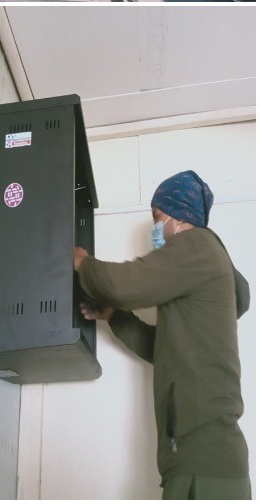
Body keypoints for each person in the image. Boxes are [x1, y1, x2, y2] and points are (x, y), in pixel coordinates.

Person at [73, 171, 251, 500]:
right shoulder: (197, 269)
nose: (156, 229)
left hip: (202, 465)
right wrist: (114, 315)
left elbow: (121, 284)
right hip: (194, 462)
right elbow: (164, 350)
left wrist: (83, 263)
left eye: (157, 217)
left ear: (180, 219)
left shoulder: (197, 246)